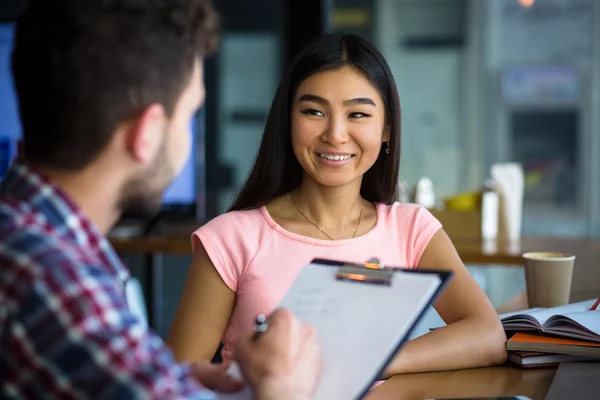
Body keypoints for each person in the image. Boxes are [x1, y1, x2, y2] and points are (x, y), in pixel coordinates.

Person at [0, 0, 322, 398]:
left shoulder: (30, 236)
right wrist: (284, 390)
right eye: (189, 114)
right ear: (147, 132)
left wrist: (183, 386)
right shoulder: (57, 286)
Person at [167, 33, 507, 376]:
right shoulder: (232, 238)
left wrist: (369, 364)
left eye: (357, 114)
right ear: (288, 122)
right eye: (314, 111)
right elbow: (173, 383)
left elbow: (488, 335)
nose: (335, 134)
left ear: (386, 128)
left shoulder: (412, 228)